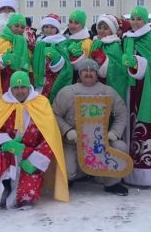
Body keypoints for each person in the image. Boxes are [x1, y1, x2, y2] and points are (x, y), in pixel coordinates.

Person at [0, 71, 68, 209]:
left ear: (29, 87)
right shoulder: (1, 104)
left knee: (27, 187)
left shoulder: (41, 103)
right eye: (16, 87)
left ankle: (24, 195)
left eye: (23, 87)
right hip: (8, 151)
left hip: (31, 153)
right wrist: (5, 143)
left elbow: (50, 137)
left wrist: (36, 161)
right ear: (10, 88)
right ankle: (2, 187)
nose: (20, 91)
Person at [52, 59, 130, 195]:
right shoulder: (68, 92)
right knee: (68, 172)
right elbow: (54, 114)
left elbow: (122, 112)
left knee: (120, 147)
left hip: (101, 142)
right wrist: (67, 131)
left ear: (97, 73)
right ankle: (79, 175)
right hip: (73, 143)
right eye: (85, 71)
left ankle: (112, 182)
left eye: (92, 70)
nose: (88, 73)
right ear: (79, 74)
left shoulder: (108, 91)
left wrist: (114, 133)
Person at [122, 6, 151, 186]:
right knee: (130, 128)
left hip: (146, 89)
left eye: (139, 18)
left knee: (145, 129)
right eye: (133, 18)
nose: (136, 22)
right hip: (130, 89)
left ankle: (147, 175)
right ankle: (128, 172)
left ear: (146, 20)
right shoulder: (127, 39)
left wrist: (137, 63)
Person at [0, 13, 34, 105]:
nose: (19, 29)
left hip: (22, 84)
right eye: (16, 26)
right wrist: (2, 60)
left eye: (22, 27)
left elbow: (29, 63)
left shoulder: (25, 42)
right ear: (9, 26)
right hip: (5, 82)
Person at [32, 14, 73, 103]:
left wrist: (55, 58)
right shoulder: (39, 42)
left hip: (53, 80)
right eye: (46, 27)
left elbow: (66, 65)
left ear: (57, 29)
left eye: (52, 27)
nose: (49, 30)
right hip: (38, 79)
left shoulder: (61, 42)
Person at [90, 14, 129, 101]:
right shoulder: (95, 43)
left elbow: (118, 68)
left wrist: (103, 60)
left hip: (108, 84)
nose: (102, 31)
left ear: (112, 30)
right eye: (99, 27)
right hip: (95, 83)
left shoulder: (114, 45)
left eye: (105, 28)